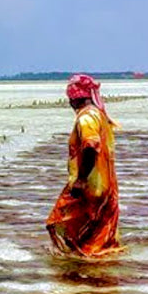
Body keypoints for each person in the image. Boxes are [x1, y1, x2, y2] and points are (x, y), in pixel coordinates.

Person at [46, 73, 122, 257]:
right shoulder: (98, 115)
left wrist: (80, 180)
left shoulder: (86, 118)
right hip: (106, 185)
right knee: (97, 233)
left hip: (90, 185)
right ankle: (99, 275)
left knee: (57, 222)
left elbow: (90, 146)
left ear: (74, 99)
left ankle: (78, 271)